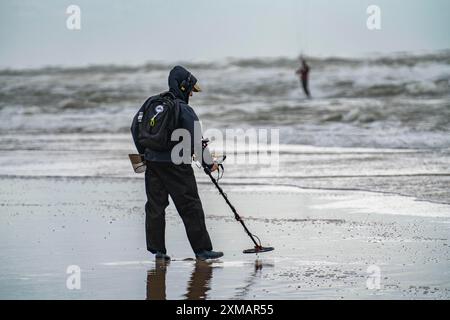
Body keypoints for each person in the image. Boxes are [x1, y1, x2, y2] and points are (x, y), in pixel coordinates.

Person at [131, 66, 223, 261]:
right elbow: (197, 140)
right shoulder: (183, 109)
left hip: (152, 163)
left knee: (155, 206)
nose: (191, 93)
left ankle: (158, 252)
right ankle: (202, 250)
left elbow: (134, 127)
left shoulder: (150, 103)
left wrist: (144, 155)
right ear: (183, 86)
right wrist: (209, 164)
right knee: (190, 206)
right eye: (190, 89)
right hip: (176, 166)